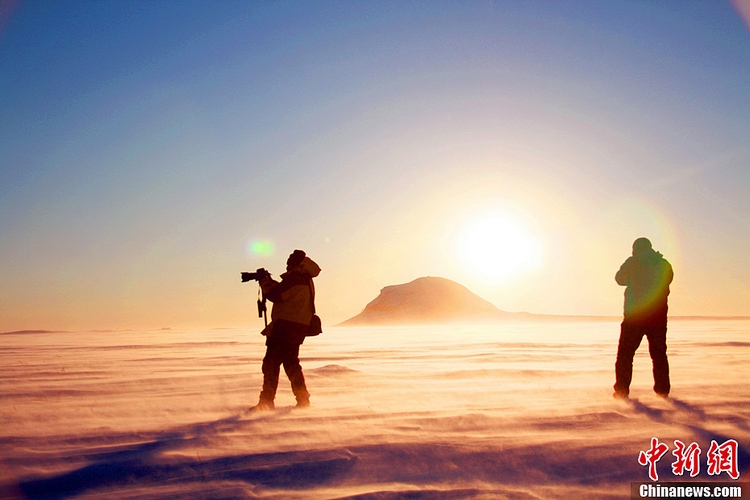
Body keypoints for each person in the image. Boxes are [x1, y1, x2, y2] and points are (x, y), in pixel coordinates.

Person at [253, 249, 321, 410]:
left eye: (289, 262)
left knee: (271, 363)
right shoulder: (304, 278)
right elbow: (286, 293)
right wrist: (269, 280)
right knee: (291, 364)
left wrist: (264, 281)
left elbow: (275, 295)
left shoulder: (296, 278)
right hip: (297, 328)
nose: (287, 265)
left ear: (295, 264)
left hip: (285, 328)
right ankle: (303, 400)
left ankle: (266, 402)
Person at [613, 238, 674, 399]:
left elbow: (619, 279)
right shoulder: (664, 264)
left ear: (635, 249)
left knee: (625, 355)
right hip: (658, 318)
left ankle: (621, 391)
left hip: (635, 317)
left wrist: (633, 278)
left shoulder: (633, 262)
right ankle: (662, 392)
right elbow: (667, 281)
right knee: (659, 356)